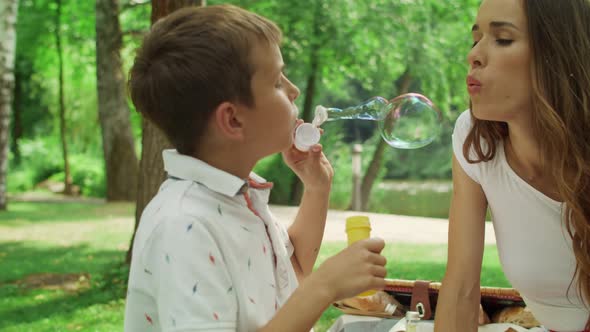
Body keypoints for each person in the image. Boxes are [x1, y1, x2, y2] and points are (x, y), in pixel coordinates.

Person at [123, 4, 388, 332]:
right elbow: (309, 283)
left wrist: (317, 190)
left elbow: (292, 269)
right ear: (233, 119)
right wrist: (325, 286)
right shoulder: (183, 226)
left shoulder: (236, 196)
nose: (294, 90)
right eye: (277, 81)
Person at [434, 0, 590, 331]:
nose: (473, 55)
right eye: (476, 39)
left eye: (502, 39)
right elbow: (461, 289)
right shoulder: (476, 142)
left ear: (556, 56)